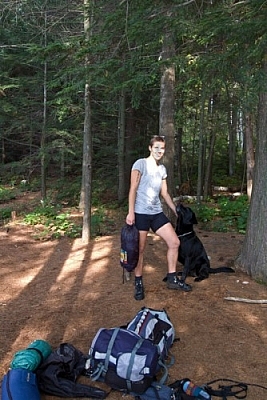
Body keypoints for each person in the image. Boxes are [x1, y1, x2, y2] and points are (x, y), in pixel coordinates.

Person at [126, 135, 192, 300]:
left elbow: (164, 193)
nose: (159, 151)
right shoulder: (140, 164)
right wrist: (131, 212)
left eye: (162, 148)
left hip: (156, 213)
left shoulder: (162, 169)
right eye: (156, 147)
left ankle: (172, 278)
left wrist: (175, 210)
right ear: (150, 148)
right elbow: (133, 189)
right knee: (140, 250)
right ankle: (138, 282)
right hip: (140, 213)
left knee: (174, 242)